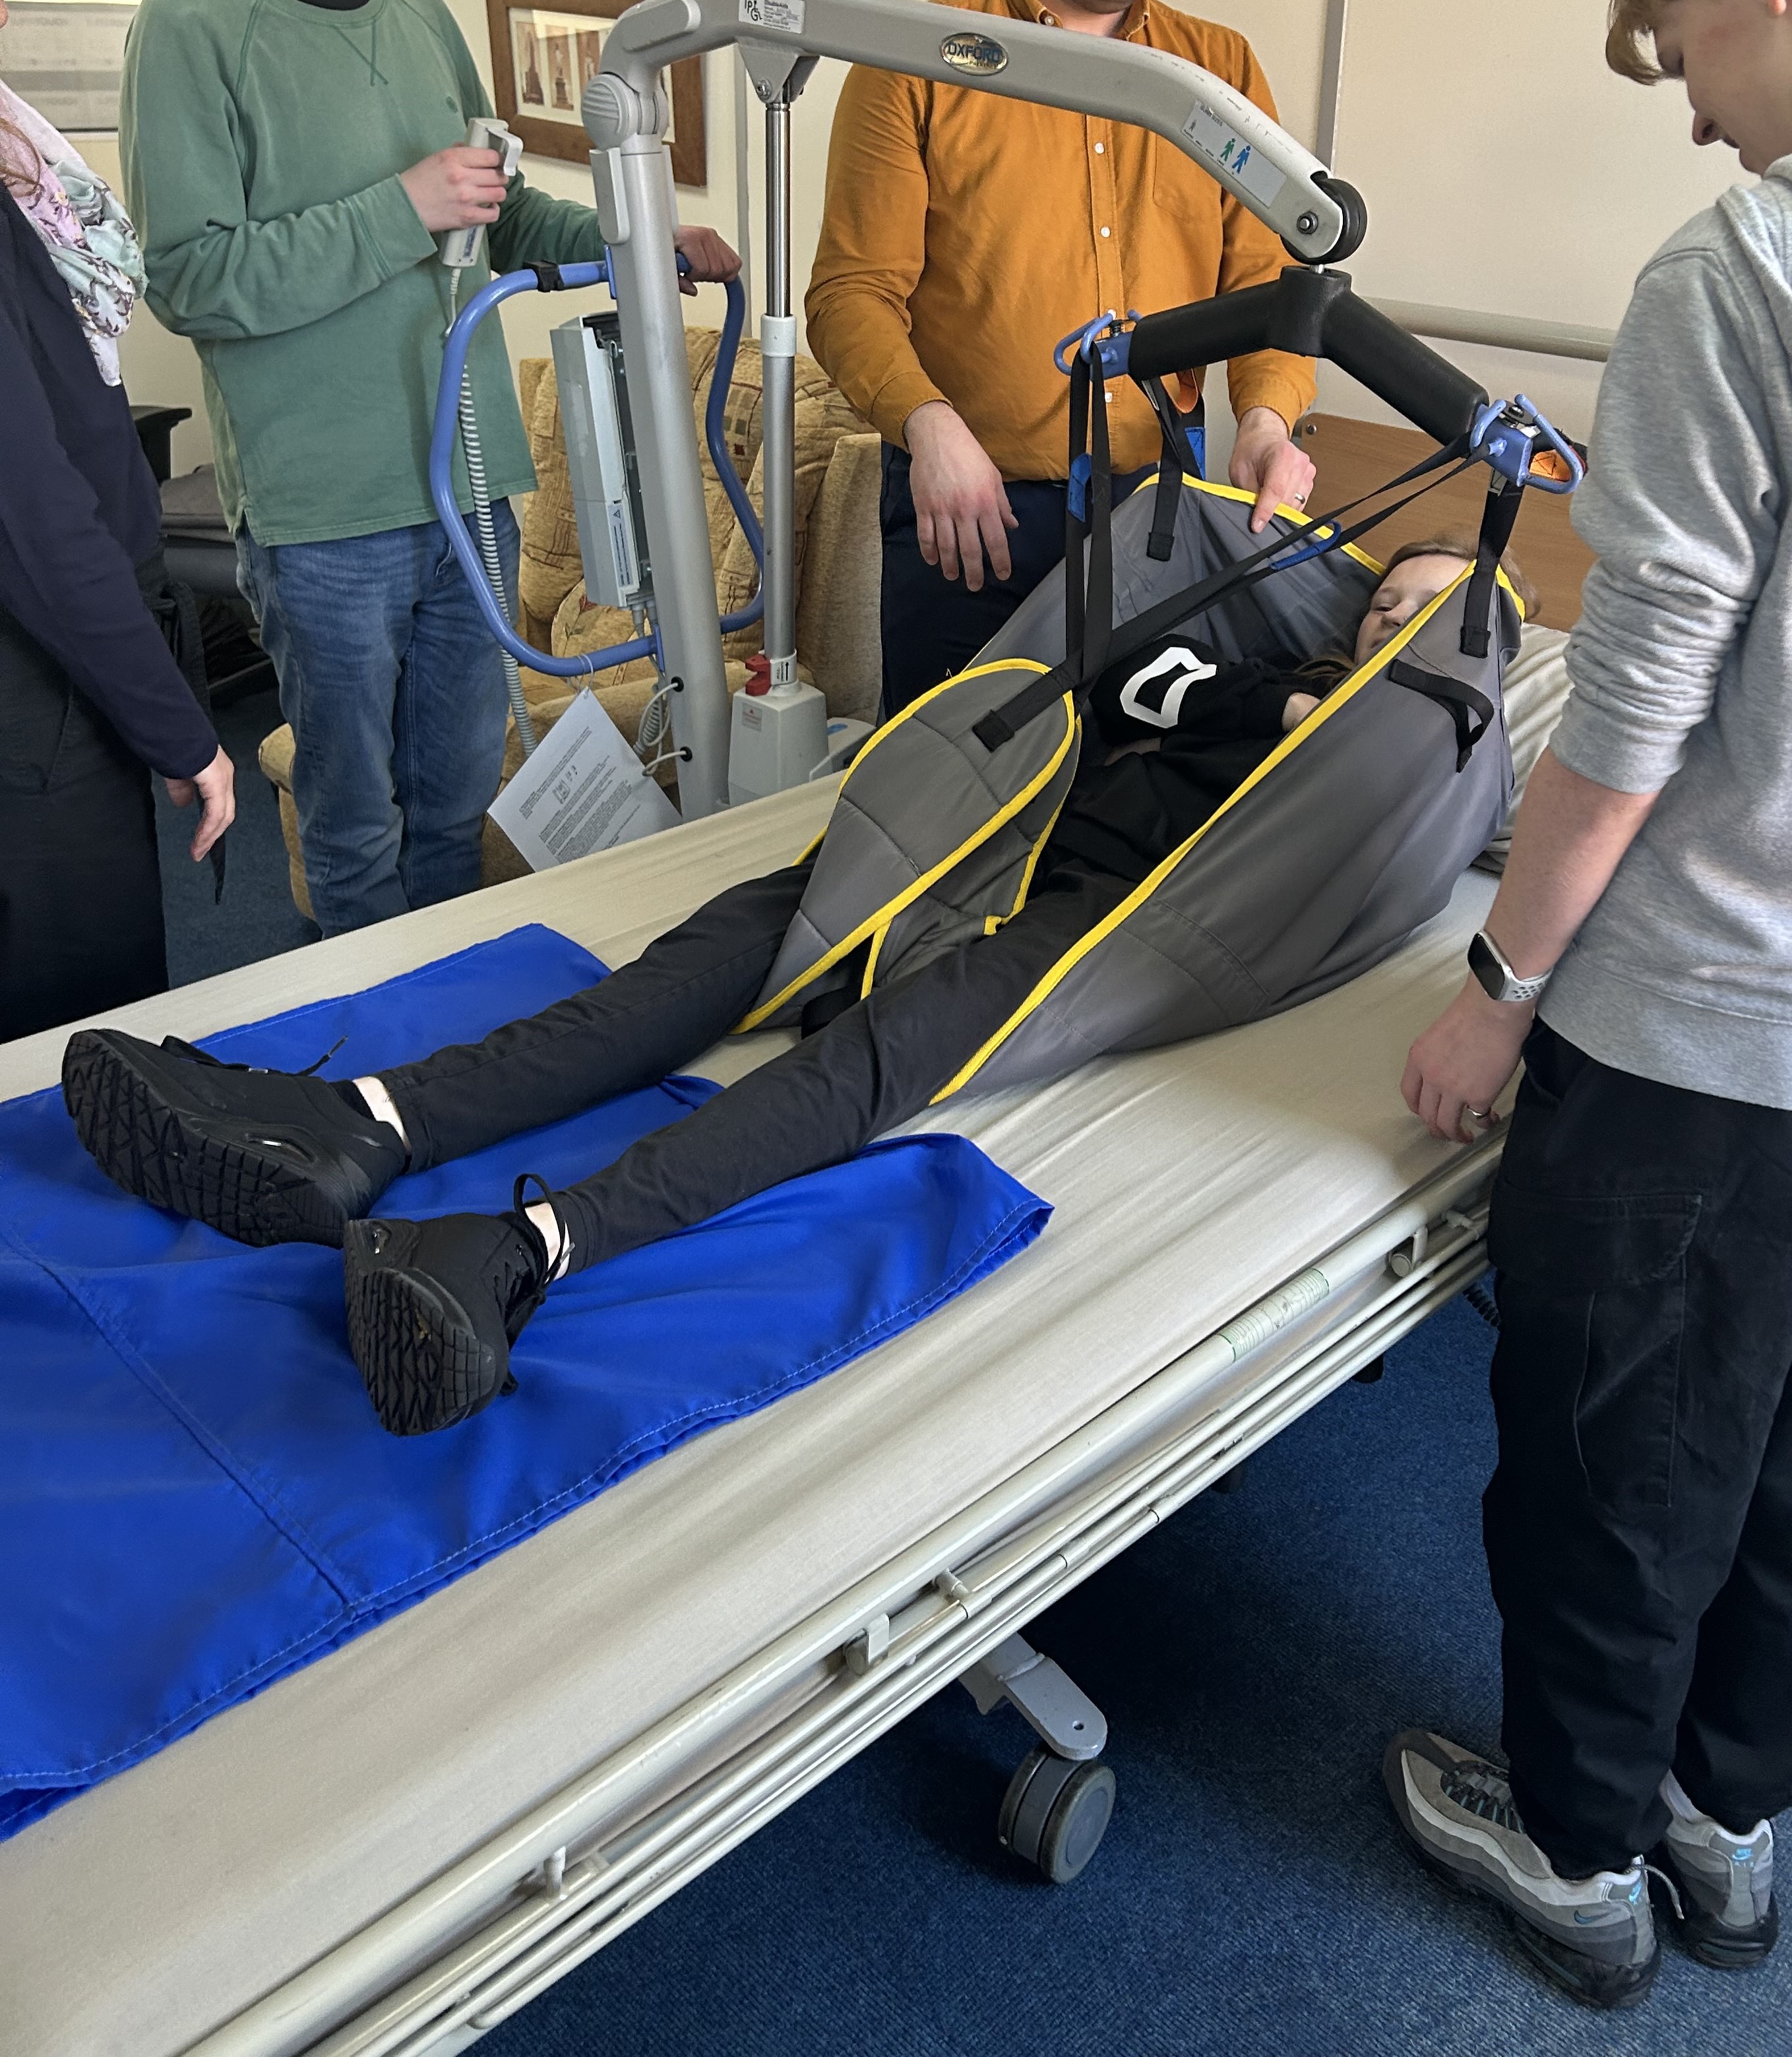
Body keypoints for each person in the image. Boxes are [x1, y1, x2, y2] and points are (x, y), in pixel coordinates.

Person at [1383, 0, 1792, 2010]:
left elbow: (1631, 702)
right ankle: (1722, 1820)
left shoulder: (1741, 274)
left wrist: (1500, 978)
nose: (1702, 130)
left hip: (1693, 1044)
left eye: (1689, 69)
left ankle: (1567, 1853)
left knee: (1618, 1466)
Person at [61, 542, 1516, 1436]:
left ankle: (513, 1256)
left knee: (867, 1069)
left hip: (1081, 930)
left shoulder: (1415, 771)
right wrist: (1280, 692)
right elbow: (1122, 672)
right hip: (969, 841)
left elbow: (1492, 824)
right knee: (694, 967)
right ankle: (354, 1128)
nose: (1390, 619)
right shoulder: (1253, 655)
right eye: (1384, 593)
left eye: (1425, 614)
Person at [121, 0, 738, 936]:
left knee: (458, 809)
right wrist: (398, 210)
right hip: (323, 517)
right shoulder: (192, 28)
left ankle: (447, 1066)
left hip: (469, 491)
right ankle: (362, 1077)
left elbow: (495, 213)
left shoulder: (414, 11)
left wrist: (635, 243)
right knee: (358, 830)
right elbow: (190, 277)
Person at [806, 0, 1320, 718]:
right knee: (954, 813)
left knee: (1142, 804)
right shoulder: (916, 59)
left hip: (1160, 513)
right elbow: (849, 295)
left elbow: (1268, 284)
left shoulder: (1217, 70)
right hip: (972, 512)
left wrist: (1267, 417)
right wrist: (930, 430)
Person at [0, 0, 233, 1037]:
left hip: (60, 666)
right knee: (73, 1055)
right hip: (31, 704)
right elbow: (29, 509)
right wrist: (177, 727)